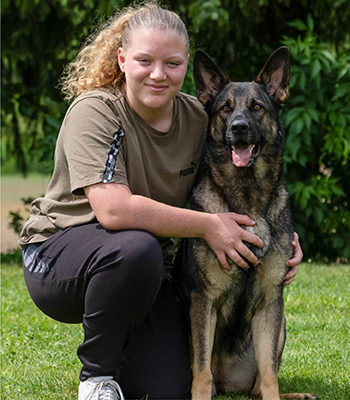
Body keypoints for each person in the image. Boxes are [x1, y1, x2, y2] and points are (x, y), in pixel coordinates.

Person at [19, 1, 302, 399]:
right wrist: (209, 225)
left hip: (141, 271)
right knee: (137, 248)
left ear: (187, 68)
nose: (158, 74)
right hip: (59, 256)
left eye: (172, 63)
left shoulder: (204, 119)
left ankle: (126, 361)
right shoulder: (95, 112)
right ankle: (96, 380)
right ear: (121, 60)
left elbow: (232, 187)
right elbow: (114, 210)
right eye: (144, 60)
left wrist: (279, 238)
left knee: (169, 387)